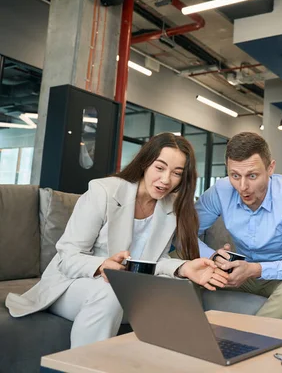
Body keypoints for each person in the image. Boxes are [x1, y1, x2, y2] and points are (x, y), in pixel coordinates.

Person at [6, 133, 228, 348]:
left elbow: (152, 261)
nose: (166, 180)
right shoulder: (104, 191)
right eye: (159, 168)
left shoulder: (171, 206)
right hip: (70, 284)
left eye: (177, 173)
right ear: (145, 163)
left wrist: (184, 268)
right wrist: (102, 265)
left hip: (127, 288)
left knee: (178, 291)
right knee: (110, 292)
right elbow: (68, 257)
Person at [195, 132, 282, 320]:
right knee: (179, 259)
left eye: (252, 175)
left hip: (277, 278)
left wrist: (255, 269)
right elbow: (185, 235)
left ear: (270, 168)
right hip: (236, 270)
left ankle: (251, 337)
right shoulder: (221, 190)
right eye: (235, 175)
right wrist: (212, 256)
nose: (242, 186)